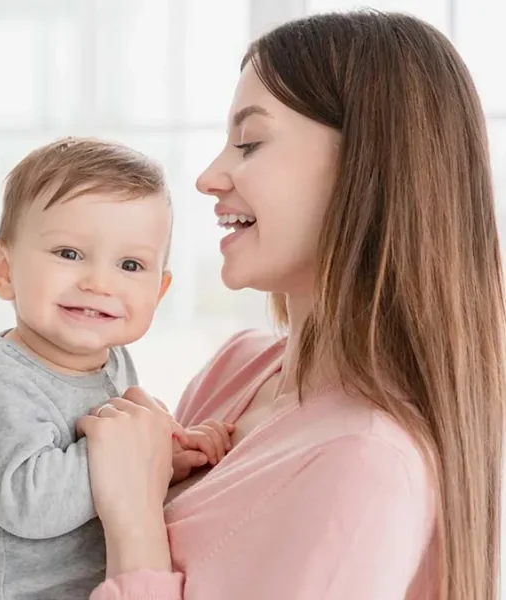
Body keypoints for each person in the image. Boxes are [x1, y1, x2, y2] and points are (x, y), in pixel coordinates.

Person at [79, 11, 505, 600]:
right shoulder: (238, 369)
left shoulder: (367, 464)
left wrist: (132, 521)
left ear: (367, 163)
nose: (207, 177)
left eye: (250, 143)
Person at [0, 137, 233, 599]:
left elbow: (119, 460)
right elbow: (28, 504)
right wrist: (133, 456)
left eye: (130, 264)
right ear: (4, 270)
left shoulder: (113, 360)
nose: (99, 282)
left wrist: (166, 457)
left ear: (159, 291)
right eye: (69, 254)